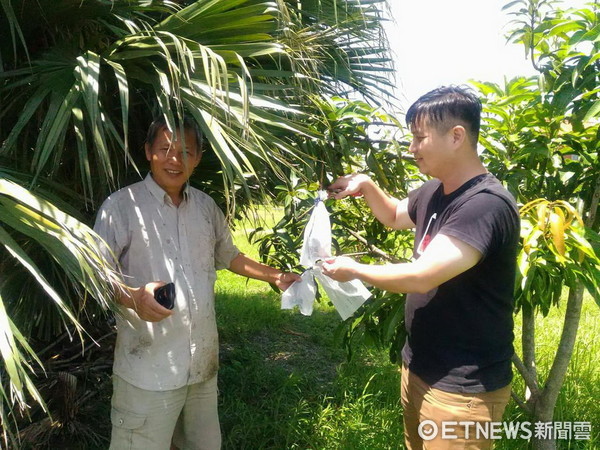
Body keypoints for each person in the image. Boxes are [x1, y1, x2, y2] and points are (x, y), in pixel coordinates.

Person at [322, 86, 520, 449]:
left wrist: (355, 269)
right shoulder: (434, 190)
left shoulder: (485, 205)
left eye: (419, 138)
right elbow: (394, 215)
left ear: (456, 136)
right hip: (421, 367)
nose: (411, 148)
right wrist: (365, 185)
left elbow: (421, 276)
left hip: (463, 387)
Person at [94, 116, 300, 450]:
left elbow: (230, 256)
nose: (175, 160)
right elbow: (97, 275)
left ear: (199, 157)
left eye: (186, 152)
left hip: (202, 366)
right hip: (149, 371)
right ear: (148, 152)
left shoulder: (205, 207)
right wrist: (134, 297)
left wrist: (275, 276)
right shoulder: (121, 207)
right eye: (165, 149)